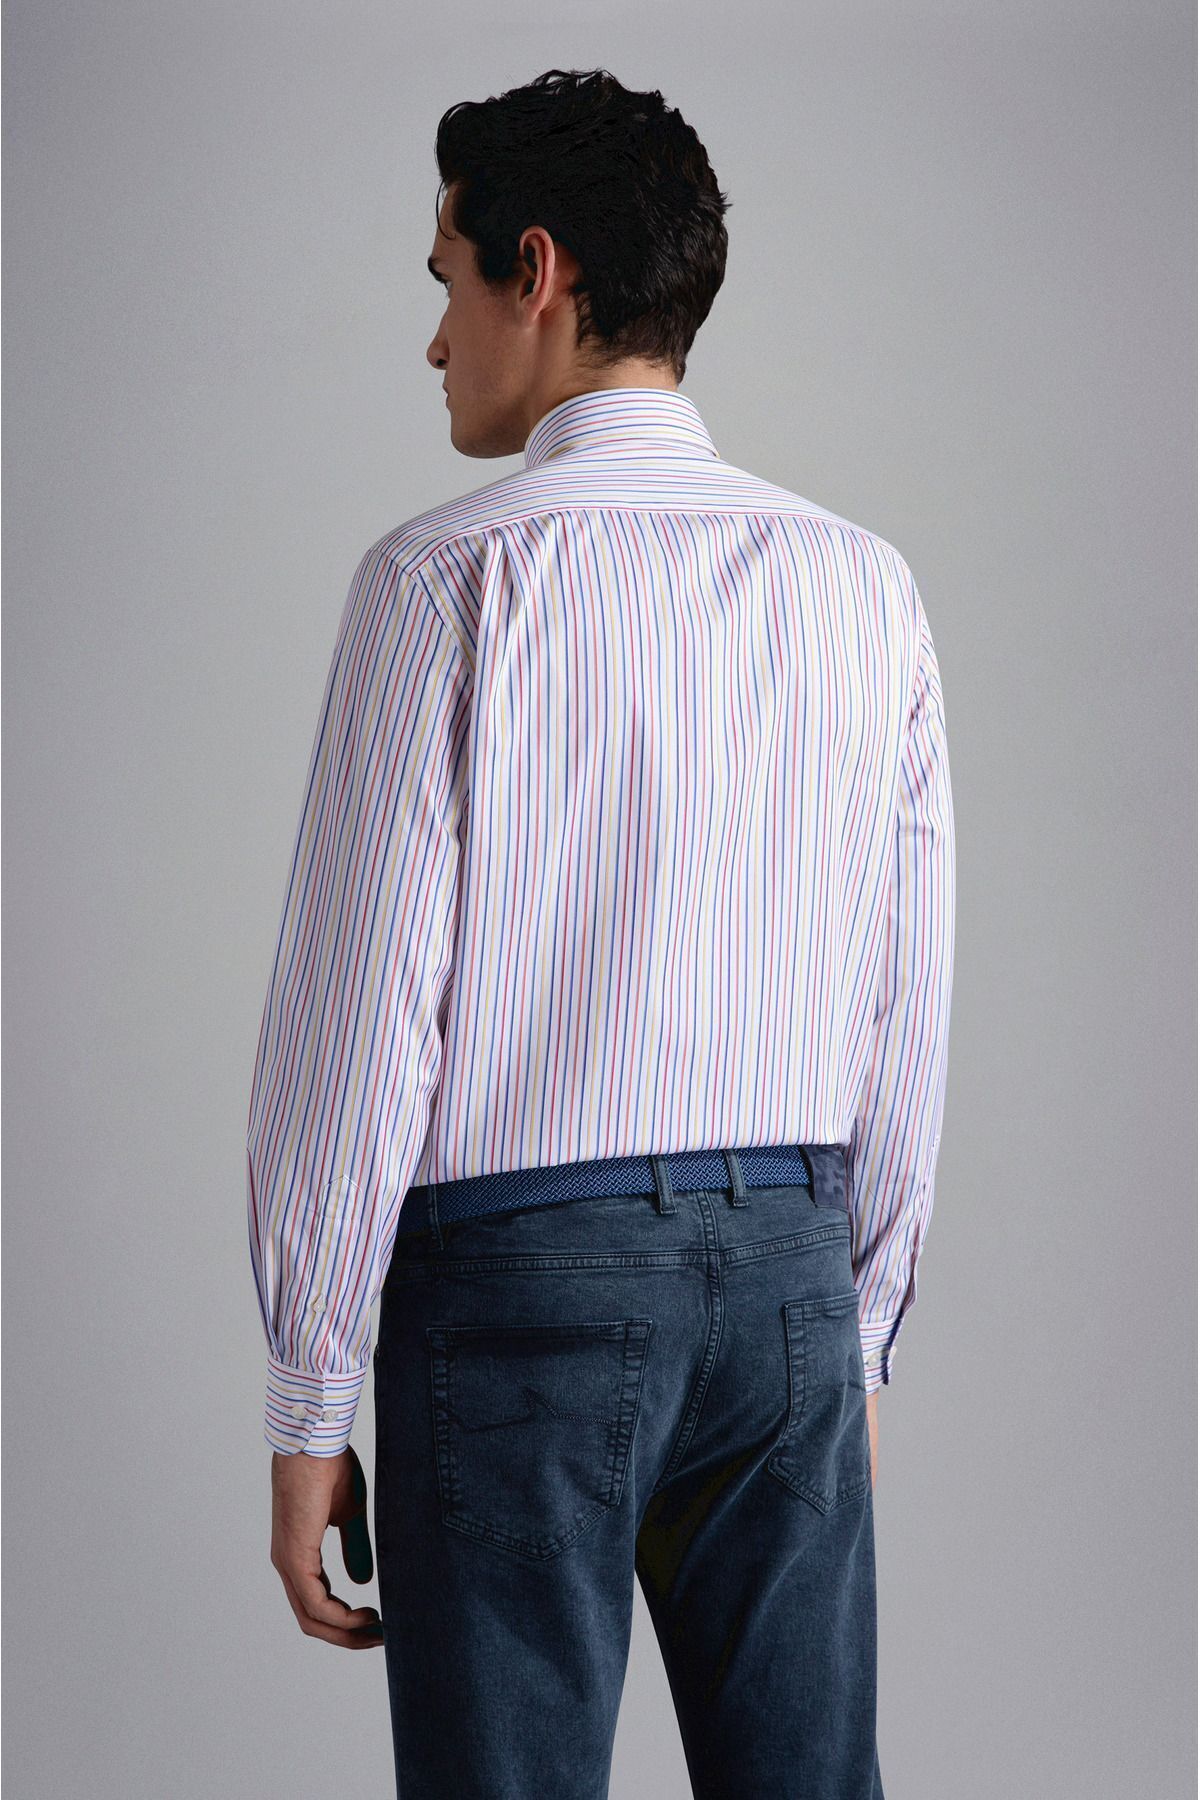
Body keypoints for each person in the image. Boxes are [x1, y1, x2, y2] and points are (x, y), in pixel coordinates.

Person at [246, 65, 955, 1800]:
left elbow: (362, 1020)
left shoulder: (443, 580)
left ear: (537, 270)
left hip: (518, 1288)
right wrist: (853, 1329)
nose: (435, 340)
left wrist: (310, 1393)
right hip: (788, 1274)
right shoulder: (860, 583)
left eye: (446, 279)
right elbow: (903, 994)